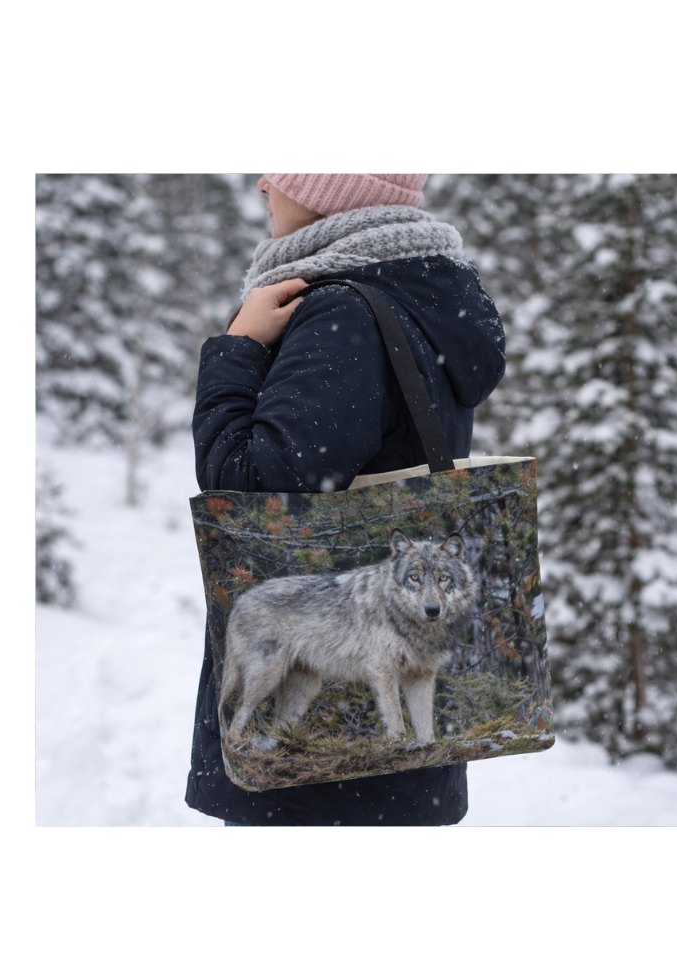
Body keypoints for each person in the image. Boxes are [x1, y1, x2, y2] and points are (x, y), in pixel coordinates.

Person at [185, 173, 506, 826]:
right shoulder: (425, 289)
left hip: (321, 791)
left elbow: (247, 497)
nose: (260, 186)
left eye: (278, 173)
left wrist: (235, 350)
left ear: (333, 186)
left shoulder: (343, 312)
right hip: (394, 787)